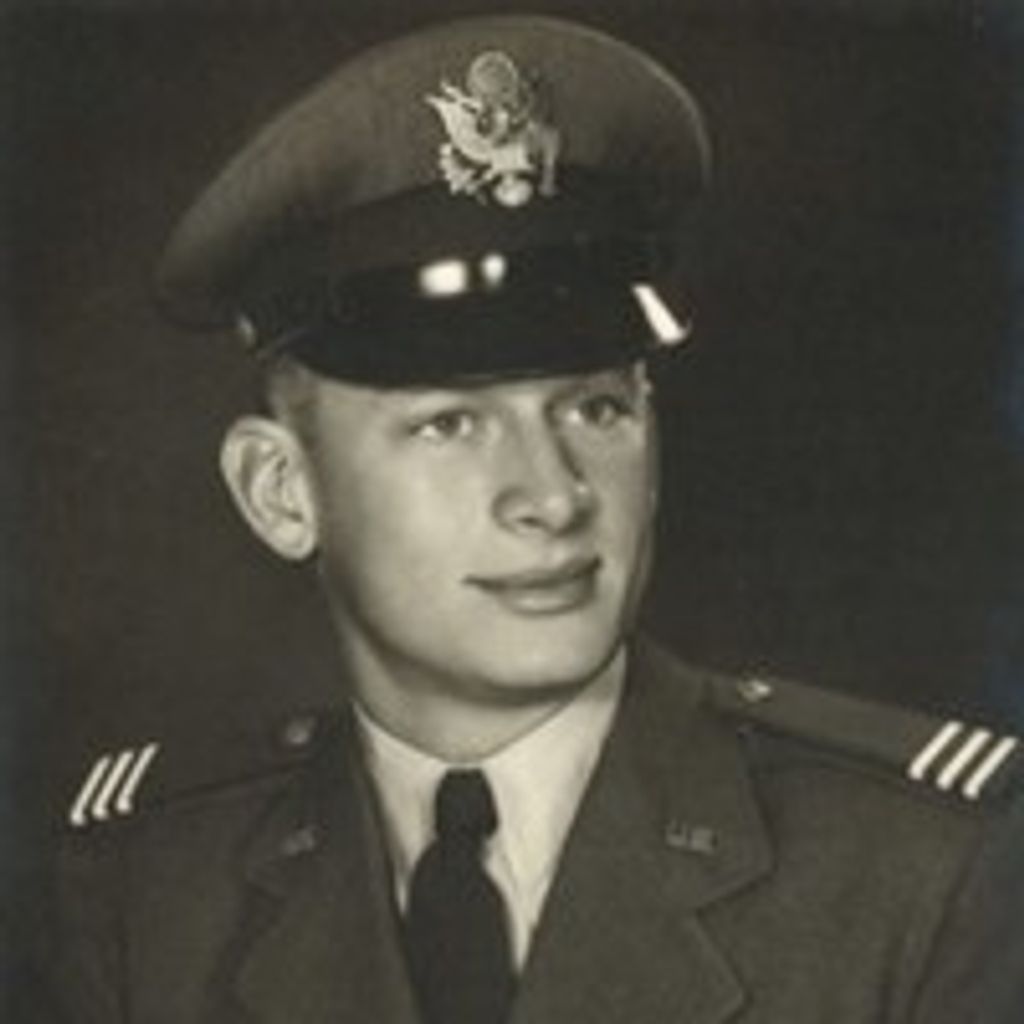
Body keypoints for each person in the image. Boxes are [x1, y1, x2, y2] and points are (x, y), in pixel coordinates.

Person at [48, 14, 1024, 1024]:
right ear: (280, 492)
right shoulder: (148, 886)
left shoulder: (930, 870)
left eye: (595, 409)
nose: (554, 496)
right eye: (449, 423)